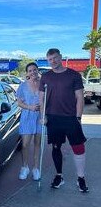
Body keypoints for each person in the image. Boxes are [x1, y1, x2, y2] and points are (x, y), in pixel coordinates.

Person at [39, 48, 89, 192]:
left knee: (78, 147)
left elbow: (80, 97)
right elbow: (41, 99)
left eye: (55, 58)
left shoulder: (73, 75)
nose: (53, 61)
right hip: (53, 118)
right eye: (50, 59)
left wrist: (78, 117)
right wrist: (43, 116)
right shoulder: (46, 77)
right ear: (47, 61)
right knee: (56, 147)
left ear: (60, 57)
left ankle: (81, 178)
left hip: (71, 117)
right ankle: (59, 176)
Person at [16, 62, 41, 180]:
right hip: (27, 117)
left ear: (37, 70)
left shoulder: (43, 84)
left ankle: (35, 168)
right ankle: (25, 167)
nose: (33, 72)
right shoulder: (23, 86)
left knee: (37, 143)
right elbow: (19, 103)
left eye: (34, 70)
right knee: (25, 144)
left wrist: (45, 114)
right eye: (30, 70)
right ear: (27, 73)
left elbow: (46, 100)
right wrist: (30, 107)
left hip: (39, 117)